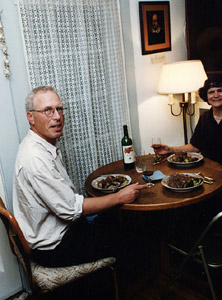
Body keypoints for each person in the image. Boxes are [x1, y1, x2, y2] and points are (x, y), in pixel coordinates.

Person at [12, 86, 148, 297]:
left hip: (59, 234)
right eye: (48, 111)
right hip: (54, 247)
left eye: (59, 109)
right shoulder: (35, 158)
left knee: (116, 218)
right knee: (134, 235)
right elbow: (71, 209)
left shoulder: (40, 145)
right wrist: (120, 196)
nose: (57, 117)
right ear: (31, 117)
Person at [153, 75, 222, 208]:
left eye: (220, 90)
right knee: (190, 201)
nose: (216, 95)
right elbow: (194, 147)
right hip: (210, 173)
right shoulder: (205, 117)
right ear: (206, 96)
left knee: (216, 205)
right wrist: (170, 149)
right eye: (211, 92)